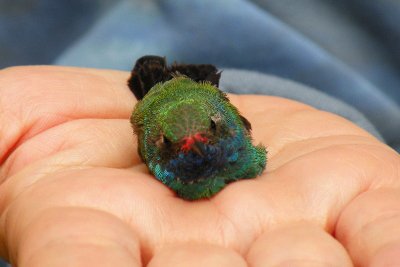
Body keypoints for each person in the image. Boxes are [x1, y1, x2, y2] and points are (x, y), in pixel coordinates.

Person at [0, 66, 399, 266]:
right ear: (157, 145)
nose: (196, 144)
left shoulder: (234, 137)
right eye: (178, 144)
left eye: (207, 133)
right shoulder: (158, 151)